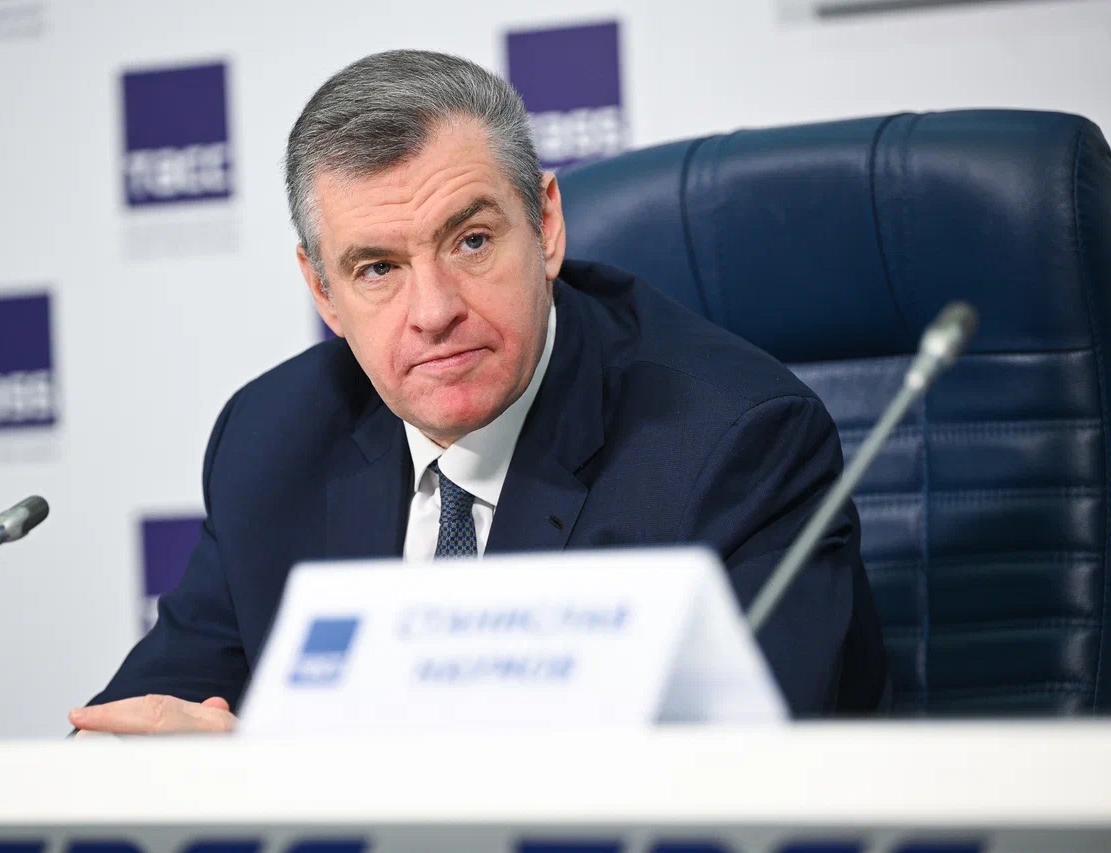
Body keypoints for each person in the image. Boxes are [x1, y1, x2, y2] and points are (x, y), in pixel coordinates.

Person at [69, 50, 888, 736]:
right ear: (323, 292)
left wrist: (279, 781)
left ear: (546, 226)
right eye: (377, 268)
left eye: (470, 241)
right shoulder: (271, 440)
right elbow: (133, 723)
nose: (434, 312)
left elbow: (742, 789)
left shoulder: (733, 445)